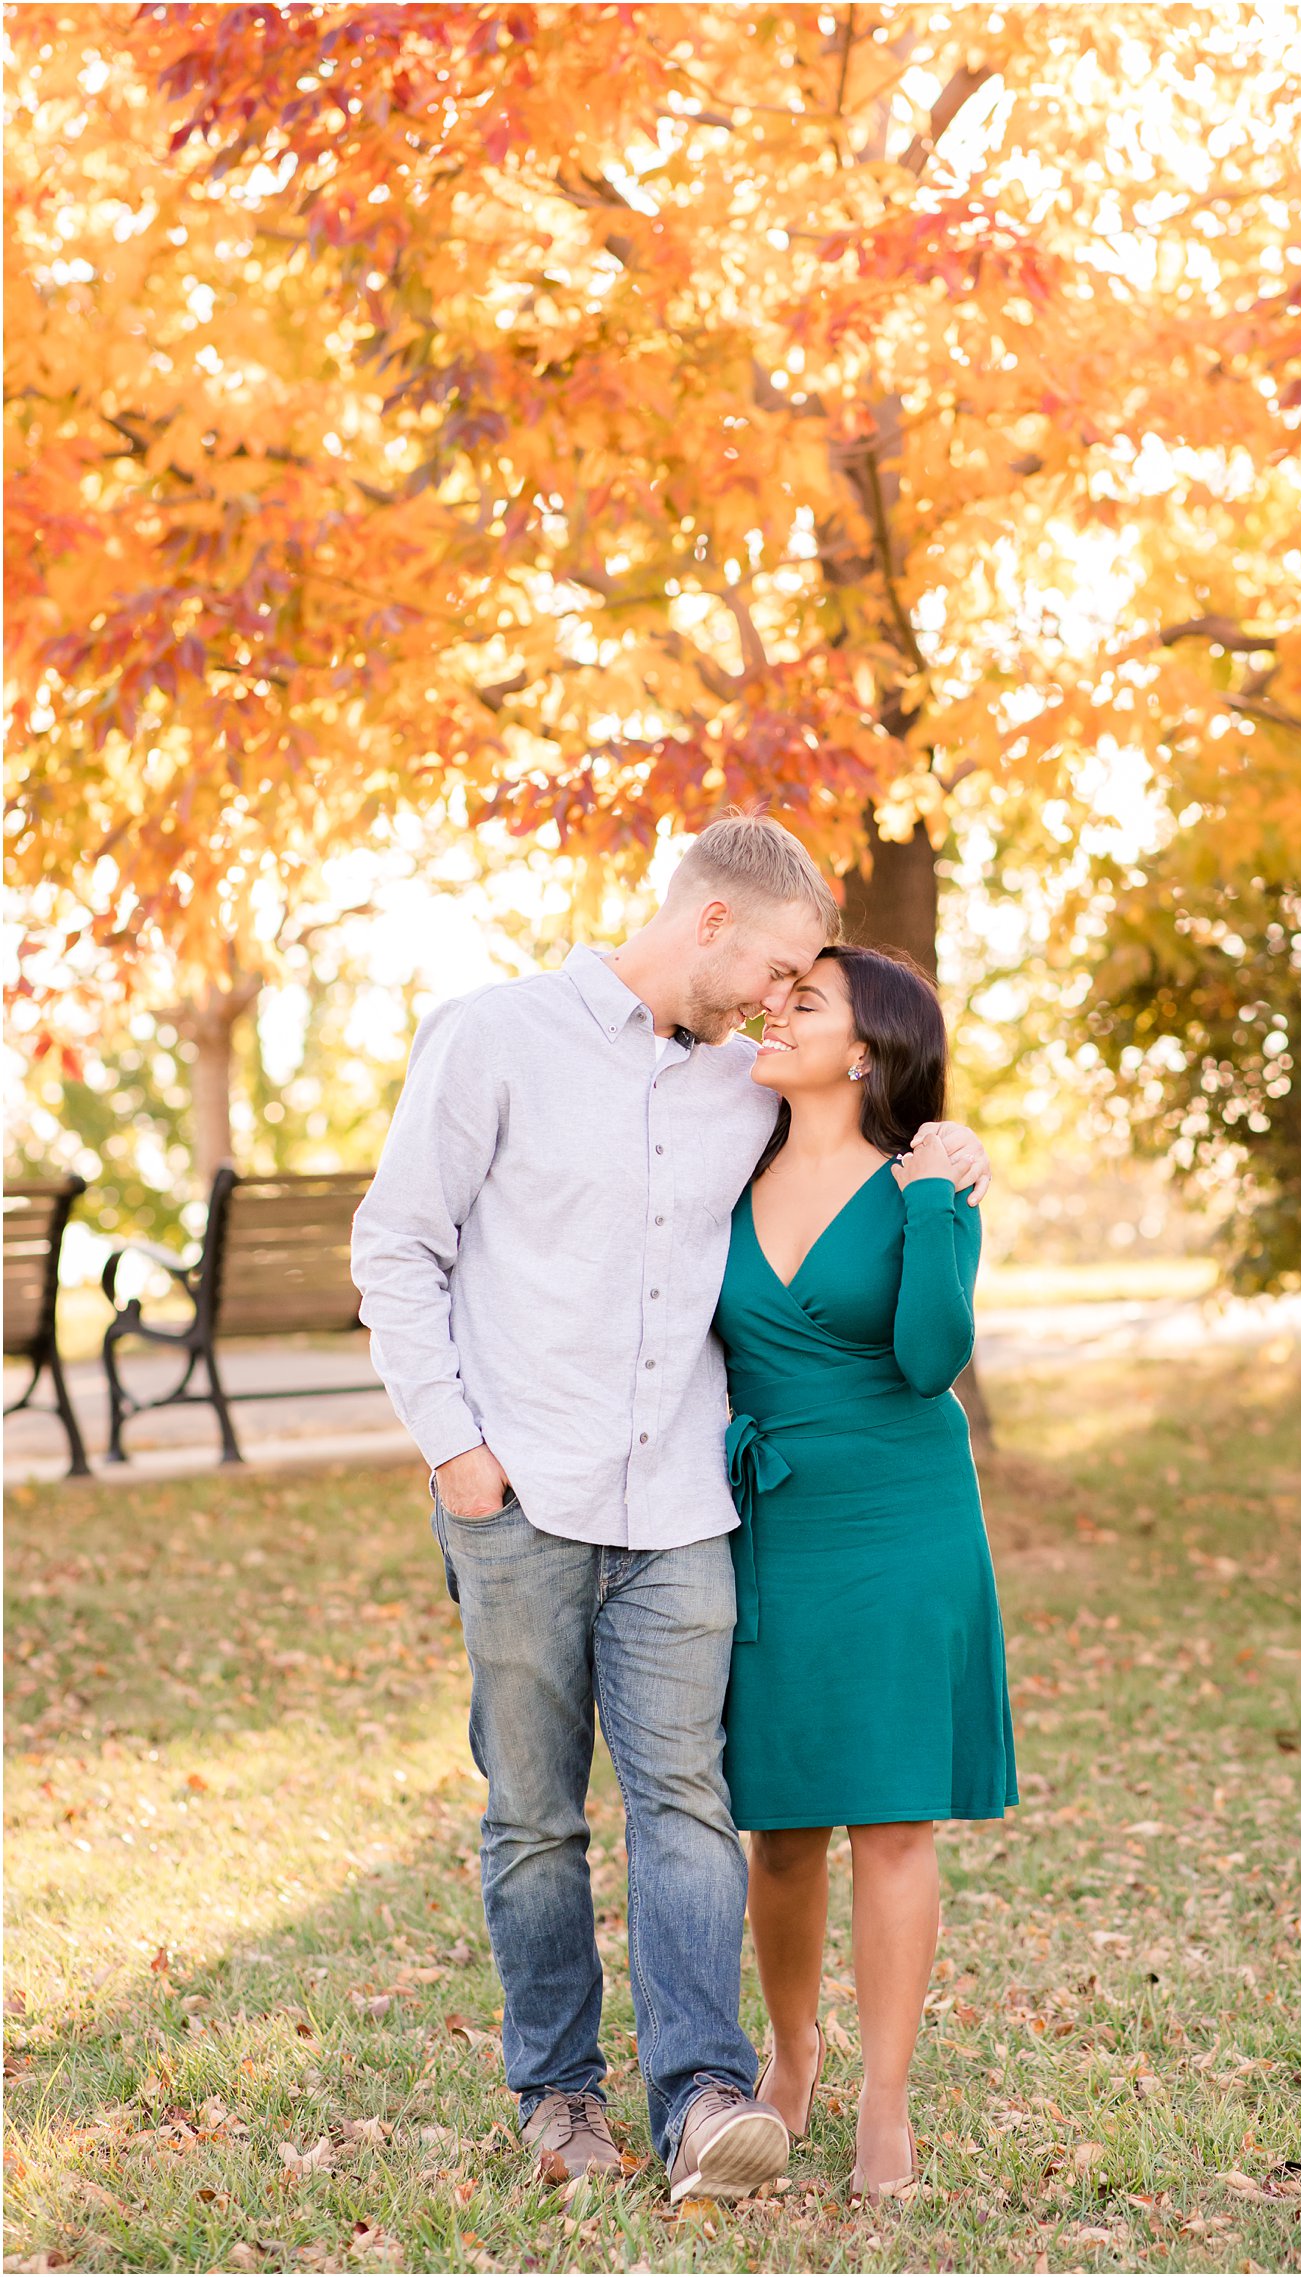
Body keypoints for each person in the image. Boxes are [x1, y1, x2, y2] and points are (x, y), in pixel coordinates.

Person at [348, 812, 991, 2202]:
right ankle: (562, 2098)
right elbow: (397, 1245)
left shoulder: (742, 1083)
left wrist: (956, 1154)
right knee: (532, 1816)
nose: (779, 998)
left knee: (691, 1801)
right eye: (775, 966)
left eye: (798, 987)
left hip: (686, 1509)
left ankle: (703, 2097)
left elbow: (871, 1120)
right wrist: (455, 1450)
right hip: (517, 1499)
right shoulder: (492, 1036)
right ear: (712, 923)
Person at [714, 944, 1018, 2200]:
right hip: (770, 1525)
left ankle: (883, 2107)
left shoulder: (922, 1185)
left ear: (864, 1050)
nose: (771, 1014)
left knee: (892, 1822)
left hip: (901, 1524)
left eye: (804, 1003)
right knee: (780, 1828)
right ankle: (793, 2059)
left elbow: (930, 1354)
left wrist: (942, 1197)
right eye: (773, 996)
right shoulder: (722, 1164)